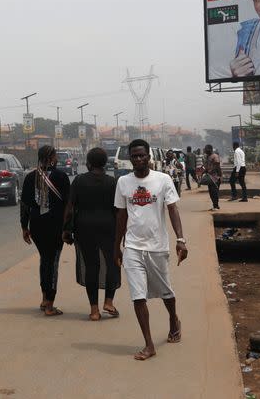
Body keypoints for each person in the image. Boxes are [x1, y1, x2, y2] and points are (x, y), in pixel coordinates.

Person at [114, 139, 187, 361]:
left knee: (166, 293)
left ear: (149, 157)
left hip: (157, 247)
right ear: (130, 159)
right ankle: (149, 345)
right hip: (133, 247)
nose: (138, 159)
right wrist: (116, 245)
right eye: (134, 156)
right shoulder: (123, 183)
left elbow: (172, 209)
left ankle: (173, 319)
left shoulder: (163, 180)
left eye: (141, 155)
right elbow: (121, 215)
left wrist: (181, 239)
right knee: (138, 297)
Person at [62, 147, 120, 321]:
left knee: (91, 267)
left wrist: (66, 230)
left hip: (84, 228)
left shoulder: (79, 181)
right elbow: (119, 210)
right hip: (108, 227)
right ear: (105, 163)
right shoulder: (113, 182)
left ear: (88, 163)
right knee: (113, 264)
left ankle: (94, 310)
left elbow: (70, 208)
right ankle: (108, 302)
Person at [20, 145, 70, 316]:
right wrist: (68, 227)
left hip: (36, 227)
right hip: (55, 227)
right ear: (53, 158)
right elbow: (68, 206)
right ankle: (50, 304)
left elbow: (25, 205)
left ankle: (43, 298)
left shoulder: (30, 178)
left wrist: (24, 227)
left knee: (44, 261)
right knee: (53, 263)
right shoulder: (61, 177)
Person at [202, 144, 222, 211]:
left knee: (214, 192)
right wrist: (204, 172)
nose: (205, 150)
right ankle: (215, 205)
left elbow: (217, 167)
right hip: (210, 178)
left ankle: (216, 206)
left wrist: (220, 176)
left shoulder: (215, 156)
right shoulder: (207, 157)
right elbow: (208, 167)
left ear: (210, 149)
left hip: (215, 177)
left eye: (206, 149)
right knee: (211, 192)